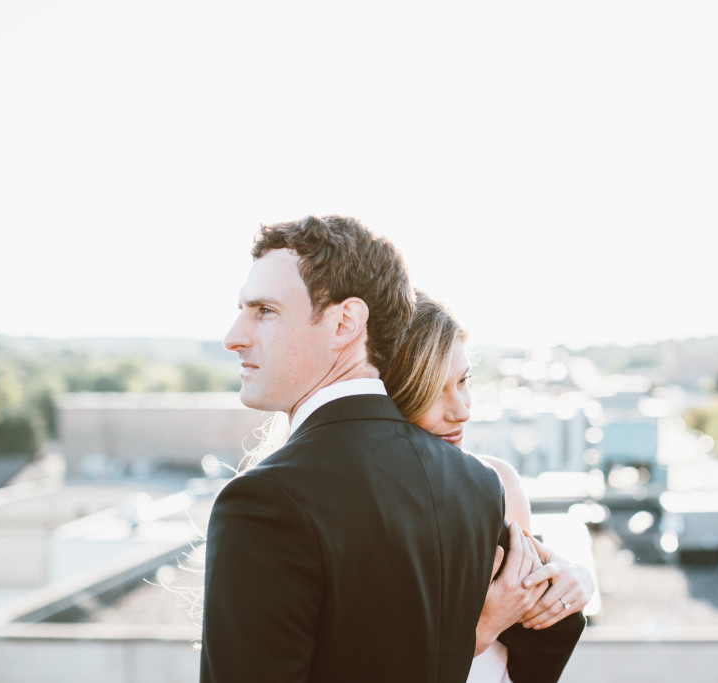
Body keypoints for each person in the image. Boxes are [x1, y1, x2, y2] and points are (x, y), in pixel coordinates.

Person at [200, 215, 510, 682]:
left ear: (346, 322)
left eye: (265, 311)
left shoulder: (264, 502)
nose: (233, 336)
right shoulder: (477, 484)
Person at [383, 292, 594, 683]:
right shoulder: (358, 509)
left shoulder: (497, 485)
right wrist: (482, 629)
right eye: (433, 391)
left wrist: (574, 580)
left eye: (463, 381)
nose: (462, 409)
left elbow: (528, 654)